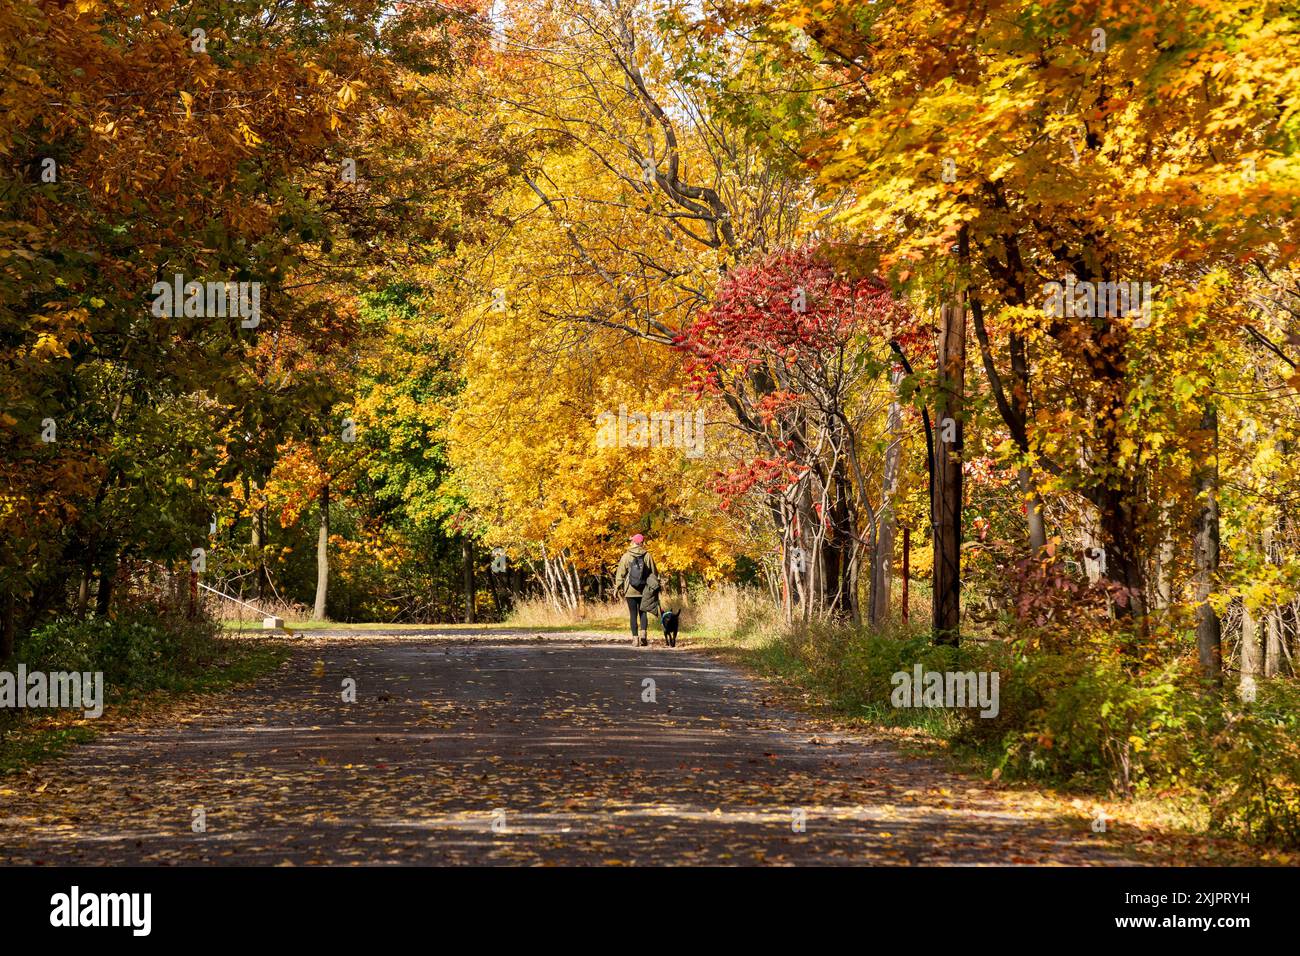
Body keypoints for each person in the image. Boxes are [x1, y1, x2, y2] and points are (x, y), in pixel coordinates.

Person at [614, 533, 658, 647]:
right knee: (643, 613)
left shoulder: (626, 556)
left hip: (630, 589)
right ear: (642, 543)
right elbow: (654, 572)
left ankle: (635, 639)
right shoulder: (647, 555)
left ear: (633, 542)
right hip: (644, 589)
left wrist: (617, 587)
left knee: (633, 614)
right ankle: (643, 635)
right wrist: (655, 587)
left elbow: (620, 574)